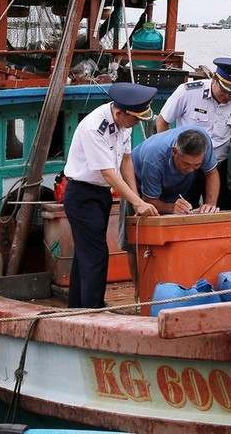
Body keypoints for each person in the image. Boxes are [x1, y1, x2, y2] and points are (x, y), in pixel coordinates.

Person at [62, 83, 159, 309]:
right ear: (119, 113)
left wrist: (137, 199)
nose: (137, 123)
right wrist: (137, 202)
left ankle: (77, 307)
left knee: (84, 255)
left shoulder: (125, 122)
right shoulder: (94, 128)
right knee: (96, 255)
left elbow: (126, 161)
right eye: (135, 119)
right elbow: (108, 173)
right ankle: (93, 311)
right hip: (82, 195)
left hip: (100, 196)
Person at [120, 125, 219, 282]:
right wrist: (171, 207)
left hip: (175, 187)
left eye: (197, 165)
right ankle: (140, 291)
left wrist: (210, 204)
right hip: (139, 190)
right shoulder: (154, 157)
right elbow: (148, 201)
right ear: (174, 152)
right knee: (135, 242)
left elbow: (212, 173)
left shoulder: (203, 141)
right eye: (186, 164)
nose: (191, 170)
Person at [155, 57, 231, 208]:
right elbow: (163, 120)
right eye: (224, 90)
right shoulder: (188, 92)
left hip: (220, 164)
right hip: (187, 165)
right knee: (185, 208)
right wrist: (171, 157)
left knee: (220, 209)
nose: (227, 97)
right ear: (214, 78)